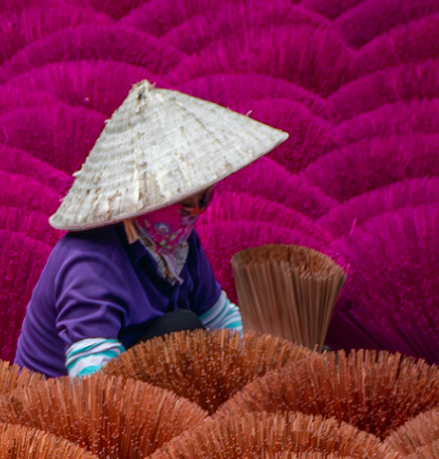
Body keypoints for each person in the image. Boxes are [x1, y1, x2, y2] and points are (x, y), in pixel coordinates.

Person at [16, 80, 288, 379]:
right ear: (142, 200)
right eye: (183, 203)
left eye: (204, 197)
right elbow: (91, 378)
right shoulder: (91, 262)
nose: (196, 212)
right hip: (68, 401)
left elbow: (221, 321)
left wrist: (277, 360)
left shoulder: (178, 246)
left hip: (134, 380)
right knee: (180, 328)